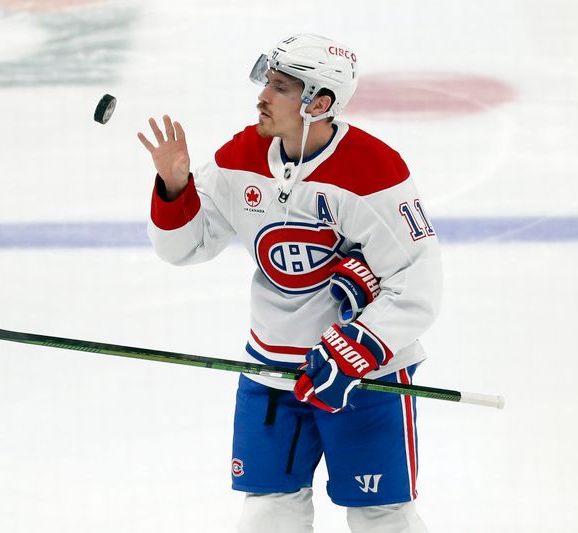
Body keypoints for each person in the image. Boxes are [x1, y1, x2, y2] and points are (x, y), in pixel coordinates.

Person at [137, 33, 442, 533]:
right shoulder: (242, 156)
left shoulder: (371, 169)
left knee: (380, 516)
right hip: (271, 374)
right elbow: (186, 247)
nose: (262, 96)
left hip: (362, 377)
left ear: (319, 102)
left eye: (279, 86)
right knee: (268, 514)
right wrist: (176, 187)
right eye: (267, 82)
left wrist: (360, 344)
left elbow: (418, 279)